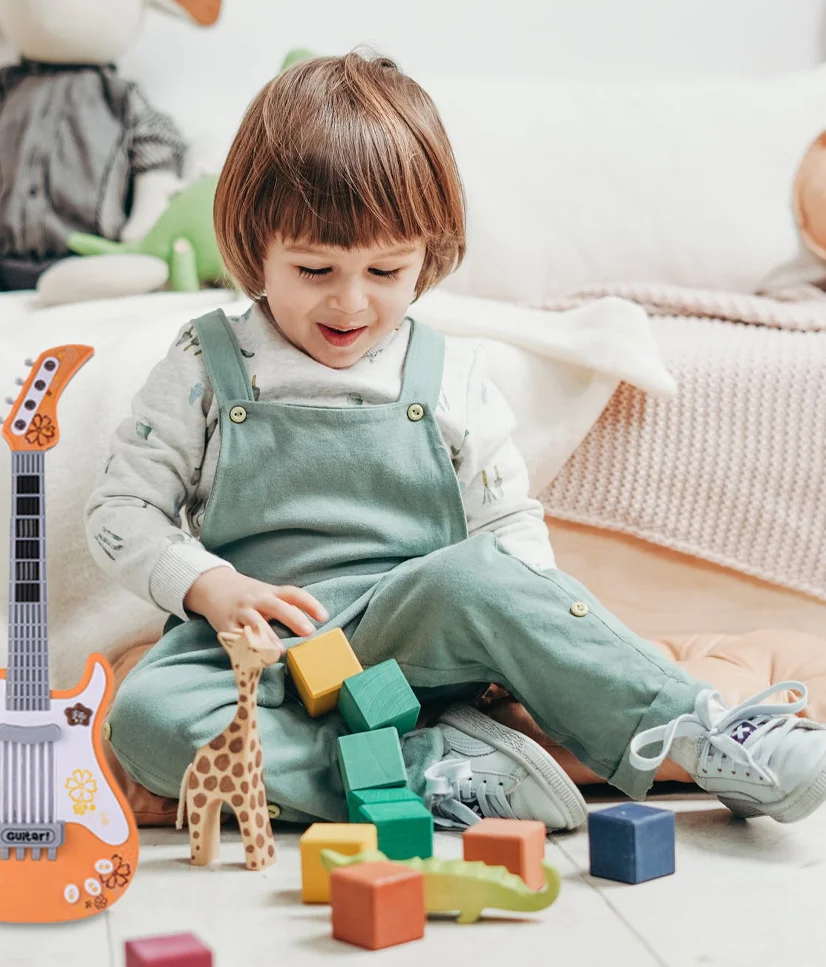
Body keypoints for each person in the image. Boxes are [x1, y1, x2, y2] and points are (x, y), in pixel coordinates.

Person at [85, 50, 826, 833]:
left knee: (483, 577)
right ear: (254, 245)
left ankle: (699, 732)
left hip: (407, 638)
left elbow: (508, 534)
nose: (350, 300)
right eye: (313, 269)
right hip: (253, 653)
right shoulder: (204, 362)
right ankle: (428, 769)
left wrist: (528, 648)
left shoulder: (449, 375)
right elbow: (121, 510)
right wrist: (207, 587)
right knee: (147, 723)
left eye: (384, 269)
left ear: (427, 254)